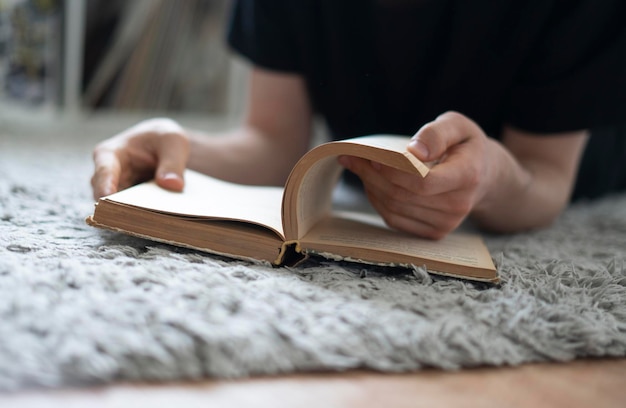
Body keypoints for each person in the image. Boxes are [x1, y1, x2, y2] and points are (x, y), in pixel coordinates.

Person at [91, 0, 626, 240]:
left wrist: (489, 181)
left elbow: (547, 176)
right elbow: (273, 141)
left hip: (575, 158)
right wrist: (177, 146)